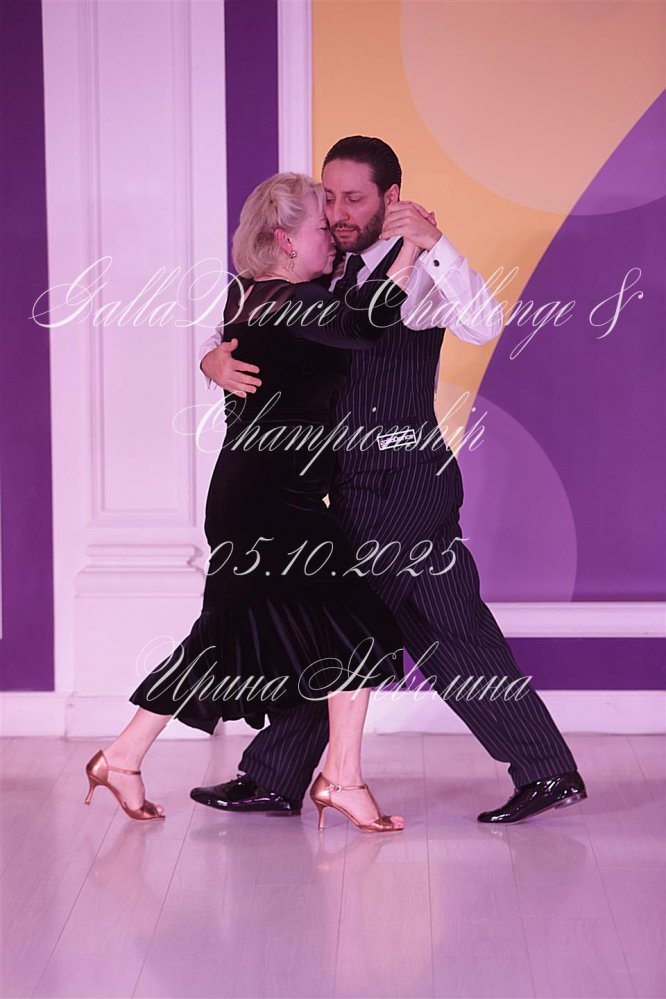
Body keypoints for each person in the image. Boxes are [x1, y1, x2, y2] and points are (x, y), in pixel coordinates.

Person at [193, 135, 587, 825]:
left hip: (404, 482)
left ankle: (278, 776)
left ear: (391, 198)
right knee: (405, 628)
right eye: (330, 198)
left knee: (385, 625)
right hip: (345, 487)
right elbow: (263, 328)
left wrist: (436, 244)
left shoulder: (424, 268)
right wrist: (209, 359)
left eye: (354, 199)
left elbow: (484, 321)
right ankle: (544, 769)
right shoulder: (319, 268)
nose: (338, 212)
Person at [84, 171, 425, 833]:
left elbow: (329, 317)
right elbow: (365, 323)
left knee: (225, 637)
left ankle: (122, 757)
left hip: (257, 497)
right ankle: (342, 779)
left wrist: (206, 359)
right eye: (320, 228)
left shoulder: (253, 294)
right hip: (270, 503)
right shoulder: (290, 303)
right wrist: (411, 248)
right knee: (358, 627)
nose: (332, 237)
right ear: (284, 239)